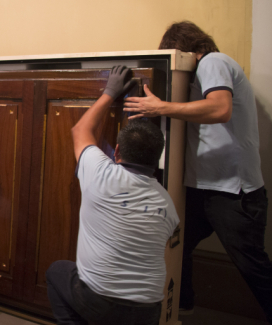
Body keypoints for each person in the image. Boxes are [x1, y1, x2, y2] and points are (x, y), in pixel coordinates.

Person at [124, 21, 272, 320]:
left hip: (232, 192)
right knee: (177, 245)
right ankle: (183, 302)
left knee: (251, 265)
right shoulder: (202, 75)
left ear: (184, 49)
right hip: (203, 188)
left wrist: (160, 107)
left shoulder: (213, 61)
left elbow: (220, 109)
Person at [46, 66, 180, 325]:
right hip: (149, 312)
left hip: (99, 301)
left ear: (116, 151)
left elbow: (80, 131)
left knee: (56, 272)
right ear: (157, 159)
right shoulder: (167, 203)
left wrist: (110, 92)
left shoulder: (100, 174)